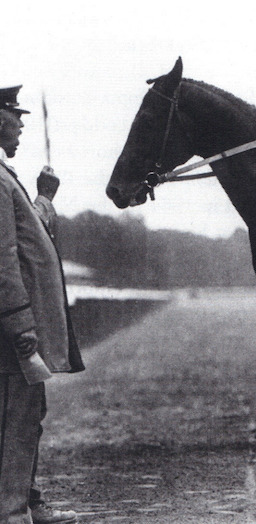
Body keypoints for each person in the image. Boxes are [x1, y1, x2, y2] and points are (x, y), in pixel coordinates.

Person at [0, 85, 84, 524]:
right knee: (16, 419)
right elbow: (3, 258)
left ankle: (26, 504)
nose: (22, 126)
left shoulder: (4, 173)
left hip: (18, 323)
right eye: (17, 118)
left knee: (29, 414)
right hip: (13, 327)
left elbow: (29, 236)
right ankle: (12, 513)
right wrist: (20, 322)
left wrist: (45, 198)